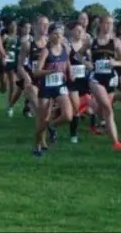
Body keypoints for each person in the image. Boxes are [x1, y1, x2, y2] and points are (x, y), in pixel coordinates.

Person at [78, 15, 121, 151]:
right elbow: (78, 54)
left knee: (105, 110)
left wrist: (116, 62)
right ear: (100, 24)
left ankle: (87, 106)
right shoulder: (92, 41)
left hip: (110, 78)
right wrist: (86, 63)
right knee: (108, 109)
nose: (109, 26)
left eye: (111, 23)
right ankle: (116, 143)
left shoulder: (116, 42)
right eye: (106, 23)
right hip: (96, 78)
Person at [33, 23, 73, 155]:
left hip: (60, 86)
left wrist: (70, 72)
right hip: (46, 87)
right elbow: (36, 72)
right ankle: (37, 145)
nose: (59, 36)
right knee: (42, 118)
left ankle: (52, 125)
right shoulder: (46, 51)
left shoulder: (64, 49)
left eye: (61, 33)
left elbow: (67, 62)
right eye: (56, 33)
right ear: (50, 35)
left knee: (68, 115)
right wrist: (49, 71)